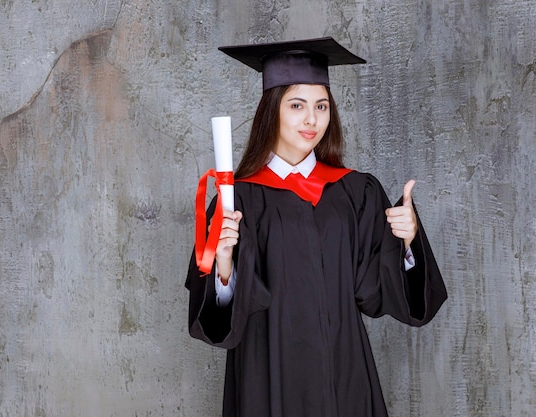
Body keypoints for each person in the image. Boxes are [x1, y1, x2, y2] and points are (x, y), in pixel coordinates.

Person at [185, 37, 447, 417]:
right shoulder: (238, 201)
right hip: (267, 371)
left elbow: (375, 292)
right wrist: (224, 267)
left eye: (321, 106)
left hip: (344, 373)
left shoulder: (354, 192)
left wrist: (408, 243)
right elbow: (219, 321)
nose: (312, 119)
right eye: (297, 105)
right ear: (271, 111)